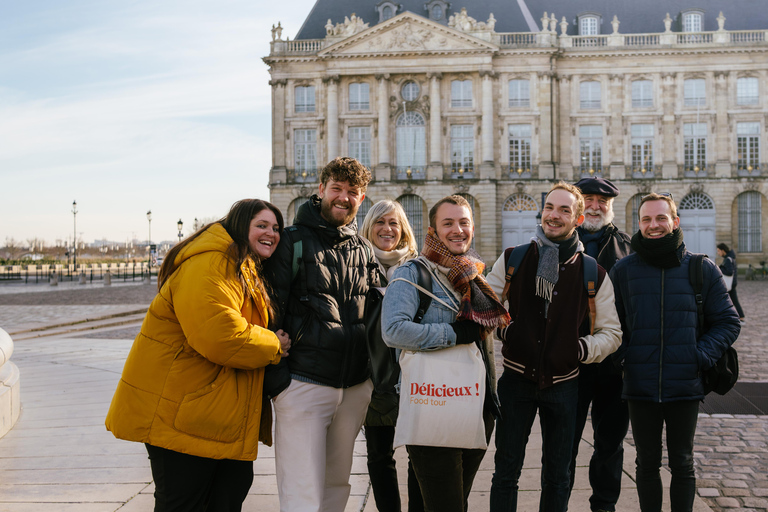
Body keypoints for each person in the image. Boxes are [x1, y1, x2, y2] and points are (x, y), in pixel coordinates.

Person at [105, 199, 290, 512]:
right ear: (240, 226)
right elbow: (220, 337)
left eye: (275, 228)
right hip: (183, 411)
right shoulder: (211, 263)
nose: (271, 233)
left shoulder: (239, 265)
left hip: (207, 412)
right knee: (185, 502)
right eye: (261, 225)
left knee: (227, 493)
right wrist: (273, 344)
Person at [486, 182, 622, 512]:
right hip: (516, 382)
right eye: (549, 207)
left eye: (564, 210)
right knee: (505, 473)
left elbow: (612, 333)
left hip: (564, 386)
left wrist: (578, 350)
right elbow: (486, 308)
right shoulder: (513, 259)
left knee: (558, 477)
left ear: (577, 219)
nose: (554, 215)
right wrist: (507, 332)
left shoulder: (593, 272)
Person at [610, 193, 740, 512]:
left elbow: (728, 321)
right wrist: (625, 359)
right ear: (639, 224)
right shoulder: (624, 270)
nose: (653, 225)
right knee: (646, 463)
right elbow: (609, 325)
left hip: (685, 384)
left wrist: (699, 356)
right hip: (640, 385)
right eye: (646, 219)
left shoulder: (701, 268)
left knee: (683, 461)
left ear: (675, 222)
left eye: (661, 218)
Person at [381, 195, 510, 512]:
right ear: (433, 231)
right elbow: (393, 330)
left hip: (477, 405)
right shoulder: (412, 273)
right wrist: (454, 333)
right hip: (433, 404)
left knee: (440, 502)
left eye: (463, 222)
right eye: (448, 223)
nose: (457, 230)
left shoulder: (471, 272)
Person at [263, 156, 375, 512]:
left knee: (336, 486)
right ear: (321, 189)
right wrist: (281, 383)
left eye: (353, 192)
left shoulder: (363, 247)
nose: (344, 197)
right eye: (337, 189)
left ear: (361, 198)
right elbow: (269, 312)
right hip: (304, 382)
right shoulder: (291, 241)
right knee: (302, 490)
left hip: (353, 386)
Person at [569, 177, 632, 512]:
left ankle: (604, 506)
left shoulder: (627, 247)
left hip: (614, 365)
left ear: (610, 206)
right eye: (588, 199)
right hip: (569, 363)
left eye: (601, 201)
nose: (595, 206)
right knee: (563, 444)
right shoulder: (558, 244)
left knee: (610, 444)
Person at [360, 199, 422, 512]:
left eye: (394, 223)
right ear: (369, 227)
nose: (387, 229)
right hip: (373, 376)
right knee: (379, 455)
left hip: (412, 375)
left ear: (403, 230)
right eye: (380, 222)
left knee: (418, 456)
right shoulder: (356, 266)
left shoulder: (417, 268)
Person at [717, 242, 746, 323]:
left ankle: (737, 317)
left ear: (723, 250)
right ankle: (741, 317)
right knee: (733, 300)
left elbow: (729, 272)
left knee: (723, 300)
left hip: (729, 284)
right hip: (732, 284)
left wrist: (719, 269)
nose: (718, 253)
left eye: (719, 251)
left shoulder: (728, 259)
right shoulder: (730, 257)